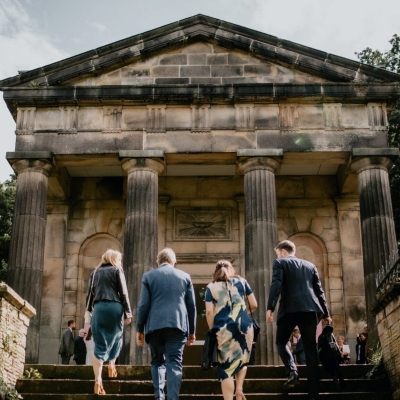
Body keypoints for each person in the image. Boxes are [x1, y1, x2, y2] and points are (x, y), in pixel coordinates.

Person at [267, 240, 332, 400]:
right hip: (310, 309)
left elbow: (276, 285)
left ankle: (292, 371)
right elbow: (319, 291)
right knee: (310, 349)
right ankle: (313, 392)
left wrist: (271, 307)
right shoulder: (310, 266)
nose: (277, 256)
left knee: (281, 342)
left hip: (289, 308)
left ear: (282, 251)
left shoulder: (280, 262)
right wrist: (326, 313)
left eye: (277, 253)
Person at [136, 248, 196, 400]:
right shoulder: (185, 277)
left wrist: (139, 329)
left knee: (157, 361)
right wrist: (192, 331)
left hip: (154, 326)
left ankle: (159, 397)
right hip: (177, 325)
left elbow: (143, 305)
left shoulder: (148, 276)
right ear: (173, 261)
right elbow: (191, 306)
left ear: (158, 261)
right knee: (174, 364)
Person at [205, 260, 258, 400]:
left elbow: (209, 312)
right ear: (231, 270)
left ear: (216, 271)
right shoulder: (242, 282)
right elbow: (254, 304)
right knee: (242, 358)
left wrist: (212, 331)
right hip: (245, 325)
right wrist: (241, 313)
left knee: (226, 366)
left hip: (224, 327)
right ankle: (239, 390)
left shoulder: (211, 286)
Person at [86, 249, 132, 395]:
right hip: (115, 307)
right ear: (114, 259)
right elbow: (123, 292)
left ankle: (98, 380)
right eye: (119, 259)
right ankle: (111, 364)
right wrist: (128, 312)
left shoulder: (94, 273)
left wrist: (89, 314)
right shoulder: (117, 270)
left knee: (99, 343)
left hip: (98, 307)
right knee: (116, 336)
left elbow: (89, 297)